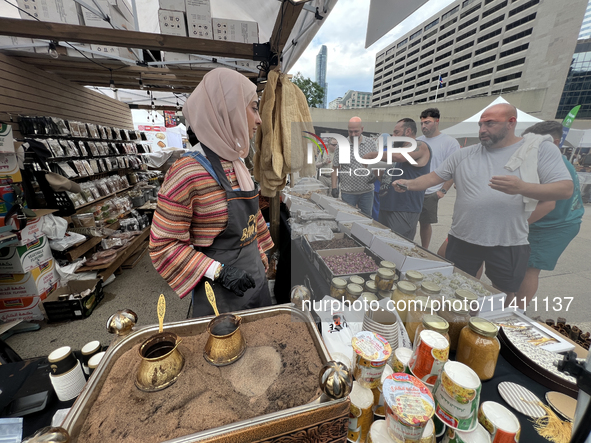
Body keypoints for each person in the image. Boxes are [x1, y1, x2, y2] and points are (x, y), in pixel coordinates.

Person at [392, 104, 573, 304]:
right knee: (458, 286)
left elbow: (565, 189)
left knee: (505, 291)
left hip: (508, 240)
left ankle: (500, 323)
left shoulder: (538, 149)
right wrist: (408, 184)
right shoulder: (464, 154)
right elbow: (433, 177)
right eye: (480, 124)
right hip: (464, 237)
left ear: (511, 123)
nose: (482, 130)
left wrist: (522, 187)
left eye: (490, 123)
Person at [149, 68, 274, 317]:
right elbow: (163, 244)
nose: (259, 120)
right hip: (220, 295)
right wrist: (219, 271)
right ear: (227, 112)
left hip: (255, 282)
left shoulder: (237, 164)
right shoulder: (186, 172)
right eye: (253, 108)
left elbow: (250, 219)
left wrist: (258, 249)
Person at [515, 121, 584, 307]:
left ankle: (515, 312)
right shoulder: (554, 160)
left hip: (554, 225)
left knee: (530, 268)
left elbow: (548, 204)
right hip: (553, 220)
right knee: (519, 267)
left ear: (553, 142)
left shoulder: (548, 162)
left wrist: (515, 226)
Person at [366, 118, 431, 239]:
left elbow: (400, 157)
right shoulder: (394, 152)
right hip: (386, 206)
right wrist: (375, 167)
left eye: (396, 132)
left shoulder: (420, 146)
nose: (393, 136)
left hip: (404, 209)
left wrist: (372, 155)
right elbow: (383, 179)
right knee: (382, 244)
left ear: (408, 131)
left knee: (398, 247)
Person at [417, 108, 459, 249]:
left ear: (437, 121)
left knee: (425, 223)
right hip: (415, 188)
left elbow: (453, 169)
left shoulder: (449, 142)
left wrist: (443, 190)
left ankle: (424, 249)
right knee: (409, 220)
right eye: (422, 123)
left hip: (431, 191)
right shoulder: (418, 141)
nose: (423, 126)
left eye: (427, 122)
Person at [331, 117, 377, 216]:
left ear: (362, 129)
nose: (353, 134)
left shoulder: (371, 143)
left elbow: (375, 163)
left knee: (366, 219)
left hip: (367, 191)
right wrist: (334, 187)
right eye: (350, 131)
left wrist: (375, 173)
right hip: (348, 192)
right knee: (347, 219)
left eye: (356, 131)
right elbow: (335, 168)